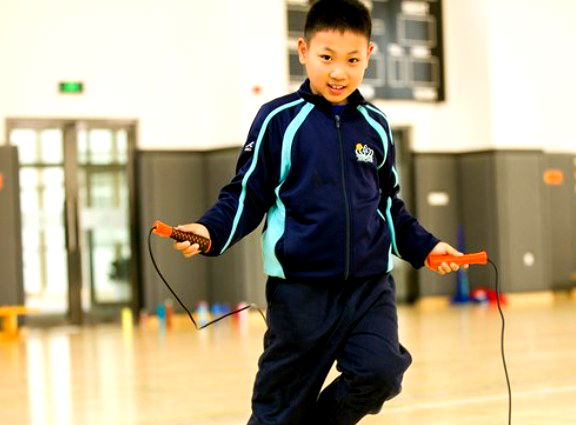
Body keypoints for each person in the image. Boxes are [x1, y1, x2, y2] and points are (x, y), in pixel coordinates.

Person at [169, 1, 463, 423]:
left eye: (352, 60)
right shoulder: (278, 121)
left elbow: (388, 207)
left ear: (369, 57)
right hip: (300, 295)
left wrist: (428, 247)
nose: (339, 72)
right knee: (278, 411)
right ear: (303, 50)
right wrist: (209, 230)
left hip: (368, 289)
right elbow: (247, 194)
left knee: (380, 372)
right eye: (326, 58)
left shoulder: (376, 125)